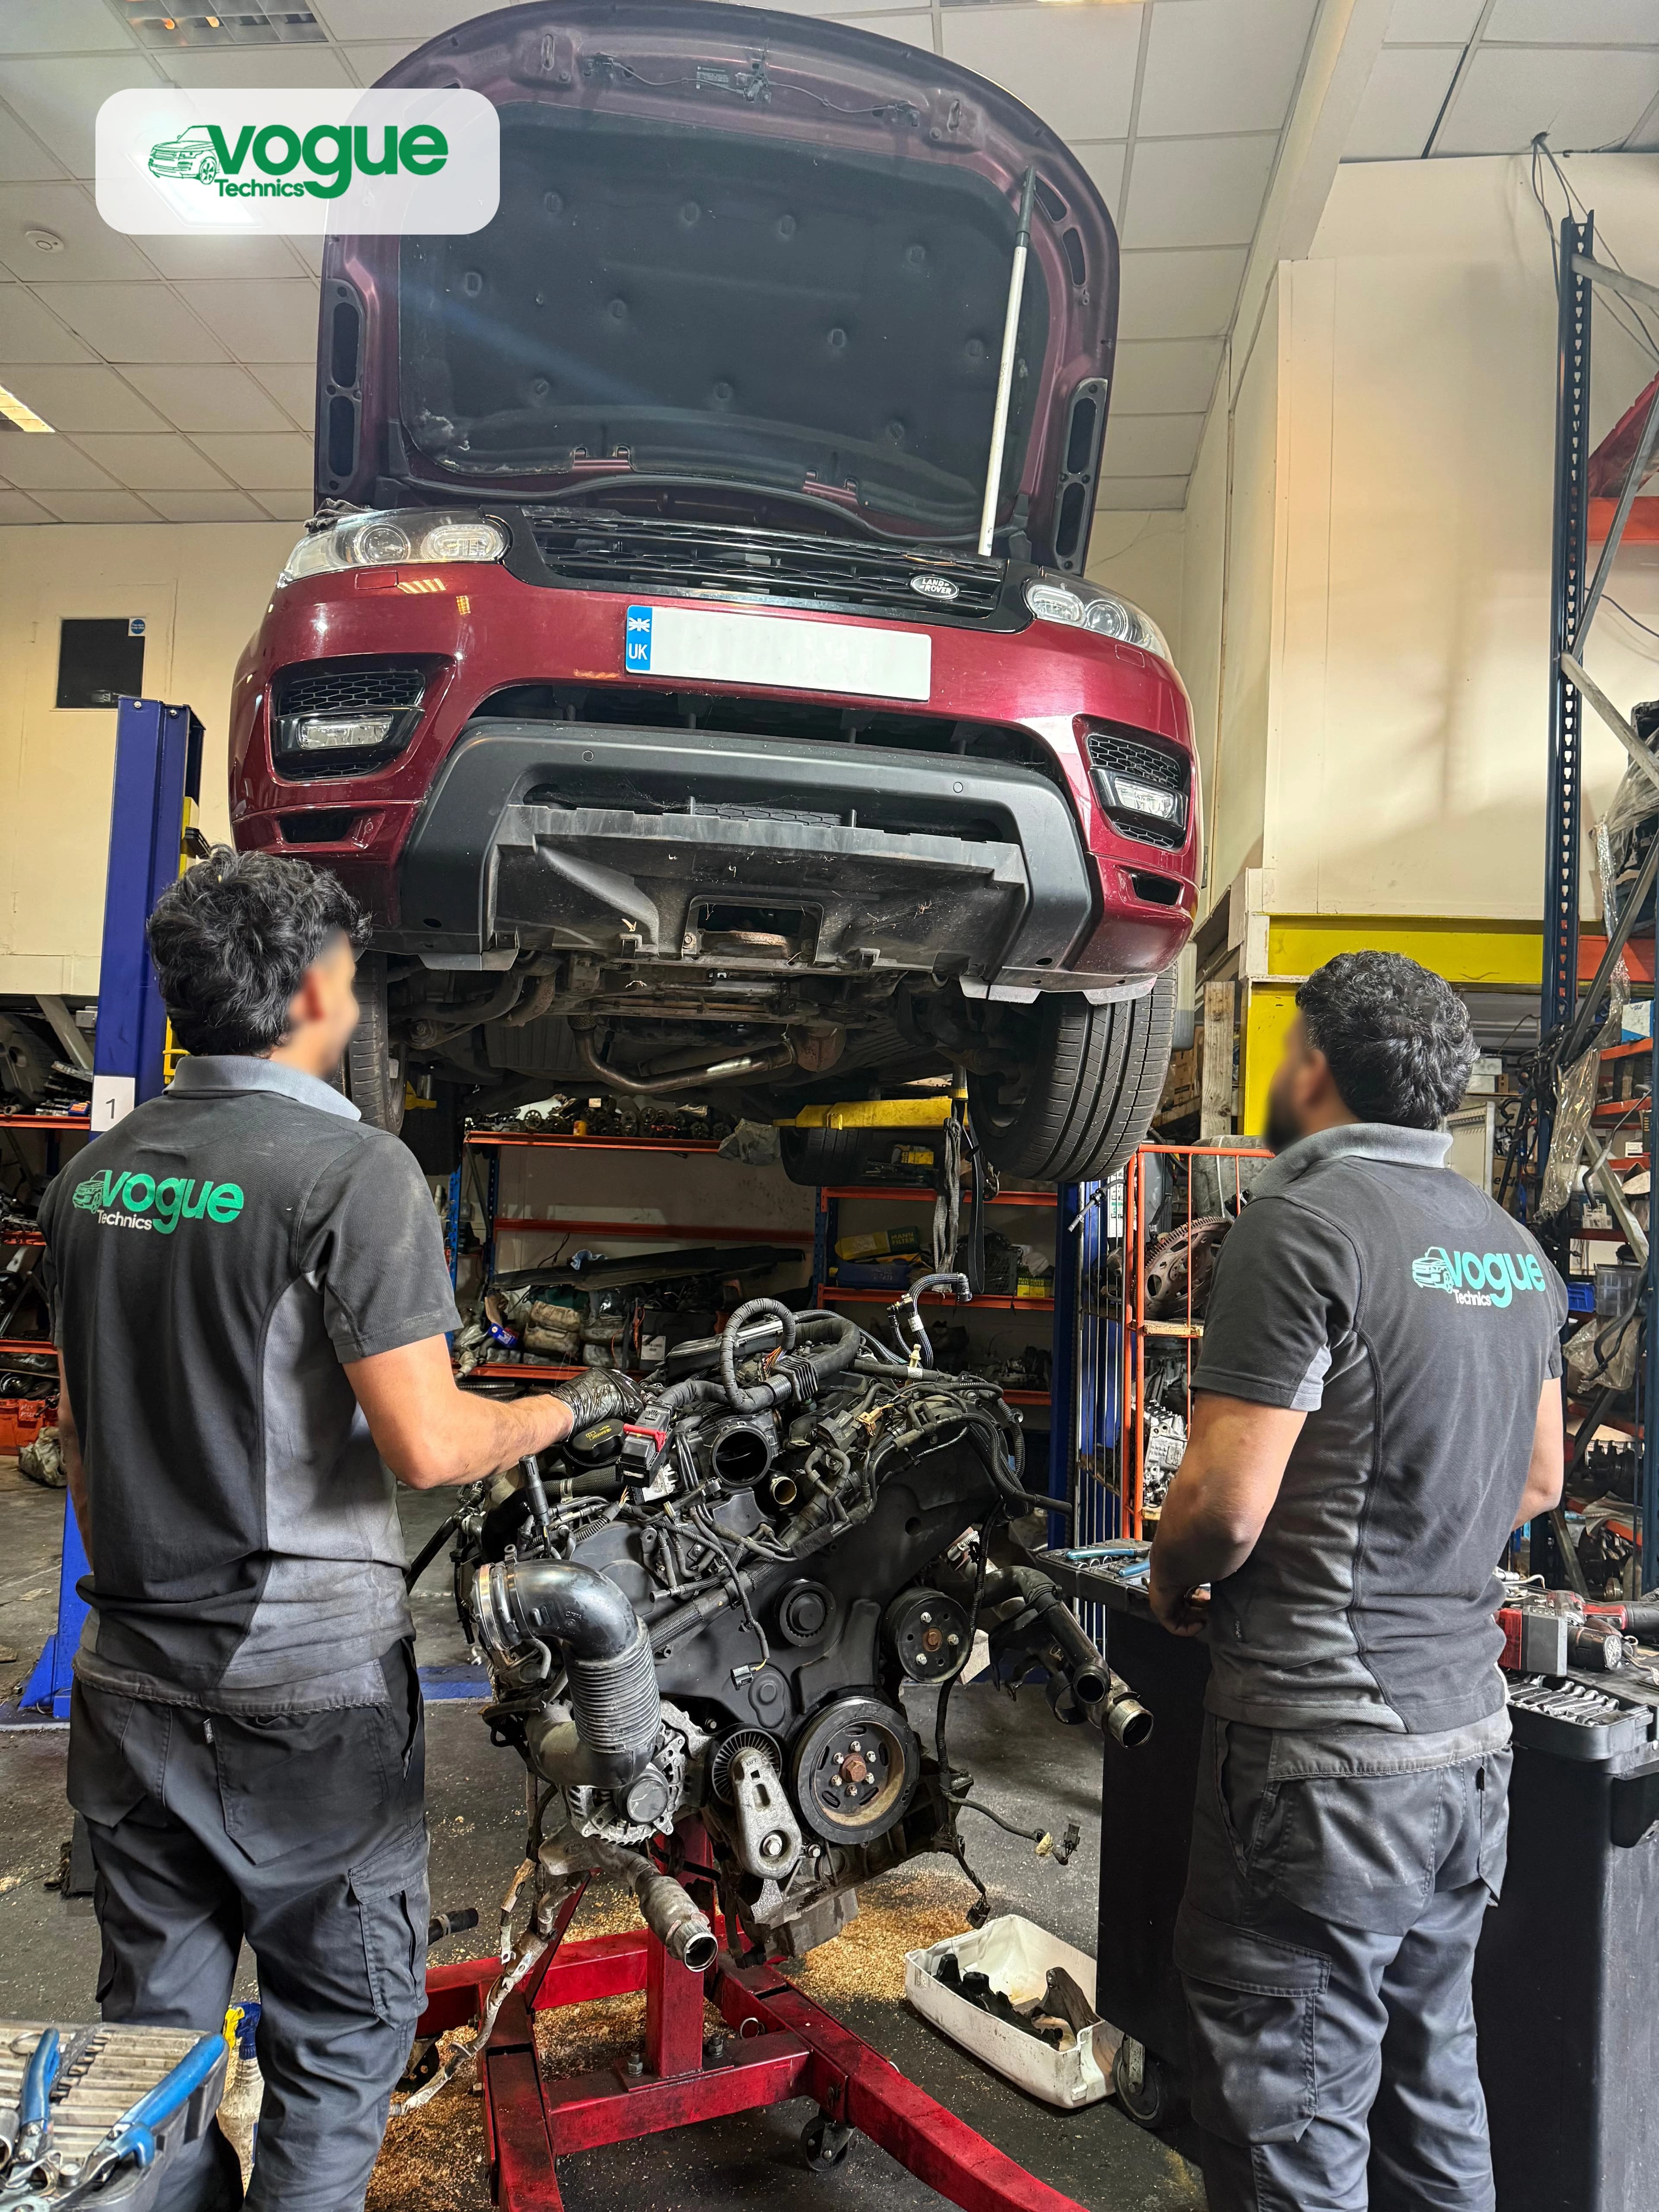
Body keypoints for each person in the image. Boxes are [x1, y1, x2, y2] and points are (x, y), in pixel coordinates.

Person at [39, 849, 635, 2212]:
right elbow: (429, 1443)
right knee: (338, 2037)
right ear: (310, 988)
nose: (357, 1007)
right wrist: (555, 1410)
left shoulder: (95, 1179)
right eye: (353, 981)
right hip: (301, 1699)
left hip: (128, 1678)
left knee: (153, 2045)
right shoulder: (353, 1174)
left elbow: (80, 1439)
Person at [1148, 951, 1566, 2212]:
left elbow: (1223, 1506)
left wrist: (1173, 1575)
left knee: (1291, 2121)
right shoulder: (1511, 1247)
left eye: (1286, 1054)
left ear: (1316, 1066)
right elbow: (1540, 1481)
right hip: (1465, 1754)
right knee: (1436, 2090)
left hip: (1321, 1765)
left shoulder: (1301, 1225)